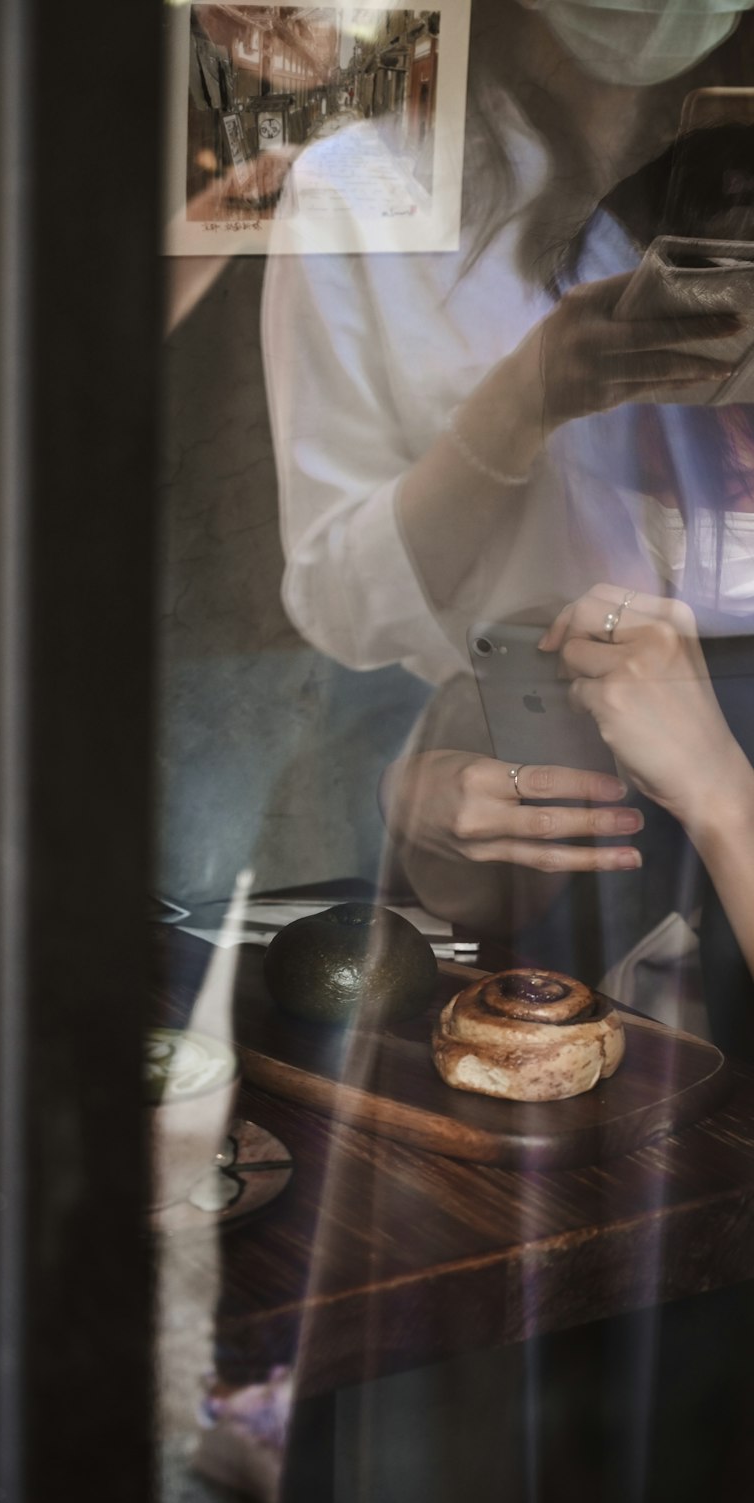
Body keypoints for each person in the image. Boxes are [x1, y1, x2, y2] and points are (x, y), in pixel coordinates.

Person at [263, 0, 754, 1038]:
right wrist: (521, 399)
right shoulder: (364, 194)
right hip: (526, 765)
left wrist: (720, 790)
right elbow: (345, 615)